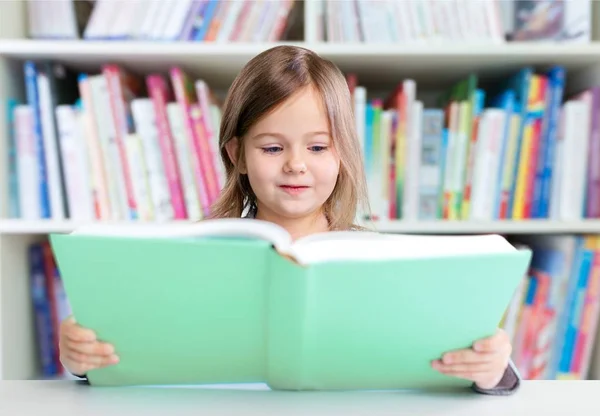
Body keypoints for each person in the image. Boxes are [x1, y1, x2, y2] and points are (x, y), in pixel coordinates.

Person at [59, 45, 520, 395]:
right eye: (273, 147)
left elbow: (473, 369)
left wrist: (491, 369)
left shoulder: (384, 260)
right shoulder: (189, 256)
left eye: (318, 147)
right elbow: (126, 354)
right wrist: (79, 357)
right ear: (237, 155)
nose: (296, 165)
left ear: (342, 155)